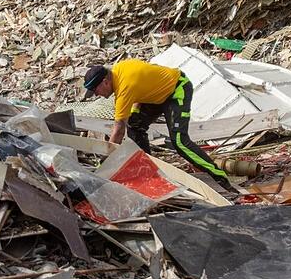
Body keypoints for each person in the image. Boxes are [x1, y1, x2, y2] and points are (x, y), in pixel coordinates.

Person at [83, 59, 232, 188]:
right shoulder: (118, 69)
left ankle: (219, 176)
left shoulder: (124, 89)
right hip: (156, 96)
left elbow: (119, 130)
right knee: (134, 124)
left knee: (179, 142)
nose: (96, 95)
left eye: (96, 91)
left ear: (105, 82)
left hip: (177, 89)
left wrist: (105, 161)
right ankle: (149, 172)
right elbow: (144, 77)